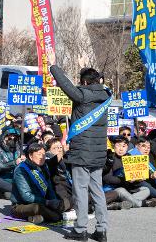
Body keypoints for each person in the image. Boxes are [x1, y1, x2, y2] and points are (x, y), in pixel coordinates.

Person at [48, 51, 109, 242]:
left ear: (83, 83)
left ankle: (81, 229)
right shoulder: (105, 94)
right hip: (98, 153)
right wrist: (84, 66)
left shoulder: (82, 97)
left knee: (80, 191)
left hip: (82, 152)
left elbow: (66, 86)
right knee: (98, 190)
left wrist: (53, 66)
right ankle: (102, 230)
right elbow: (89, 81)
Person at [102, 136, 156, 209]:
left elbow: (141, 170)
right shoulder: (110, 158)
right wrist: (125, 179)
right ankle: (142, 203)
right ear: (114, 146)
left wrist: (151, 175)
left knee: (146, 190)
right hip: (113, 189)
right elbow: (107, 178)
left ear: (127, 147)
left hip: (128, 188)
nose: (121, 149)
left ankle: (122, 203)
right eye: (118, 145)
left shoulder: (130, 157)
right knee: (121, 190)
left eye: (124, 146)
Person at [11, 143, 63, 224]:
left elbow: (49, 188)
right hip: (22, 205)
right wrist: (47, 202)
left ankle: (39, 217)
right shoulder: (21, 170)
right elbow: (26, 196)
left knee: (61, 203)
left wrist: (54, 201)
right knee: (40, 208)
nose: (42, 157)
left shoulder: (44, 167)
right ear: (31, 156)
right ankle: (44, 216)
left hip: (42, 201)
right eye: (39, 154)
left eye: (43, 154)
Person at [0, 126, 25, 199]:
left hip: (15, 179)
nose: (12, 139)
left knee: (8, 194)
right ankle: (18, 191)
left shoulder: (19, 150)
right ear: (4, 137)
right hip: (2, 178)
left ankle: (15, 191)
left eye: (15, 138)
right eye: (9, 137)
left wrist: (25, 161)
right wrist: (14, 162)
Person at [45, 138, 73, 212]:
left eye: (60, 147)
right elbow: (52, 161)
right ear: (48, 150)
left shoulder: (66, 159)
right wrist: (64, 150)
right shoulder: (47, 159)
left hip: (69, 186)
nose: (59, 149)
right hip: (58, 188)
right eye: (56, 148)